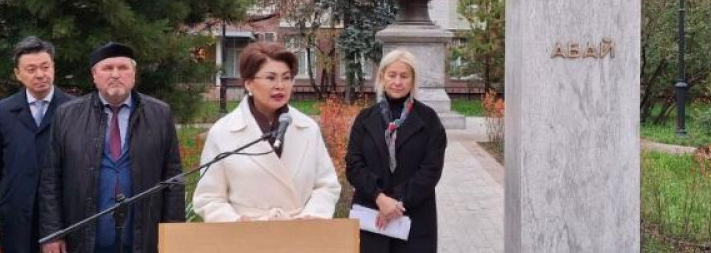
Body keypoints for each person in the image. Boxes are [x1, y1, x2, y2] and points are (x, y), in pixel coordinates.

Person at [38, 42, 184, 253]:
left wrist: (174, 234)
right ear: (94, 75)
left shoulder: (159, 114)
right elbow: (51, 179)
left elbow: (173, 179)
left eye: (123, 68)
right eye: (108, 68)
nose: (115, 74)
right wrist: (53, 233)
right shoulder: (67, 115)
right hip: (86, 235)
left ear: (133, 74)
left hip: (142, 235)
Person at [192, 41, 340, 221]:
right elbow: (208, 197)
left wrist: (312, 216)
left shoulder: (308, 128)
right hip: (246, 233)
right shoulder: (223, 132)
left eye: (287, 78)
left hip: (300, 231)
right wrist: (234, 221)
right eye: (271, 78)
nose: (280, 86)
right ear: (249, 83)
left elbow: (327, 186)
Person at [344, 50, 447, 253]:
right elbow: (354, 165)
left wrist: (397, 202)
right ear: (382, 76)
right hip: (371, 216)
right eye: (392, 75)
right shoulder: (365, 118)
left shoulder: (428, 120)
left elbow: (431, 170)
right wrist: (380, 198)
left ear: (413, 79)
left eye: (404, 76)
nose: (397, 82)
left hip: (413, 219)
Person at [0, 37, 73, 253]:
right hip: (16, 214)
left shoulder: (74, 109)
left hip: (64, 213)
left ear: (53, 67)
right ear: (17, 74)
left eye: (45, 67)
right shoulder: (2, 112)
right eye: (31, 69)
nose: (40, 74)